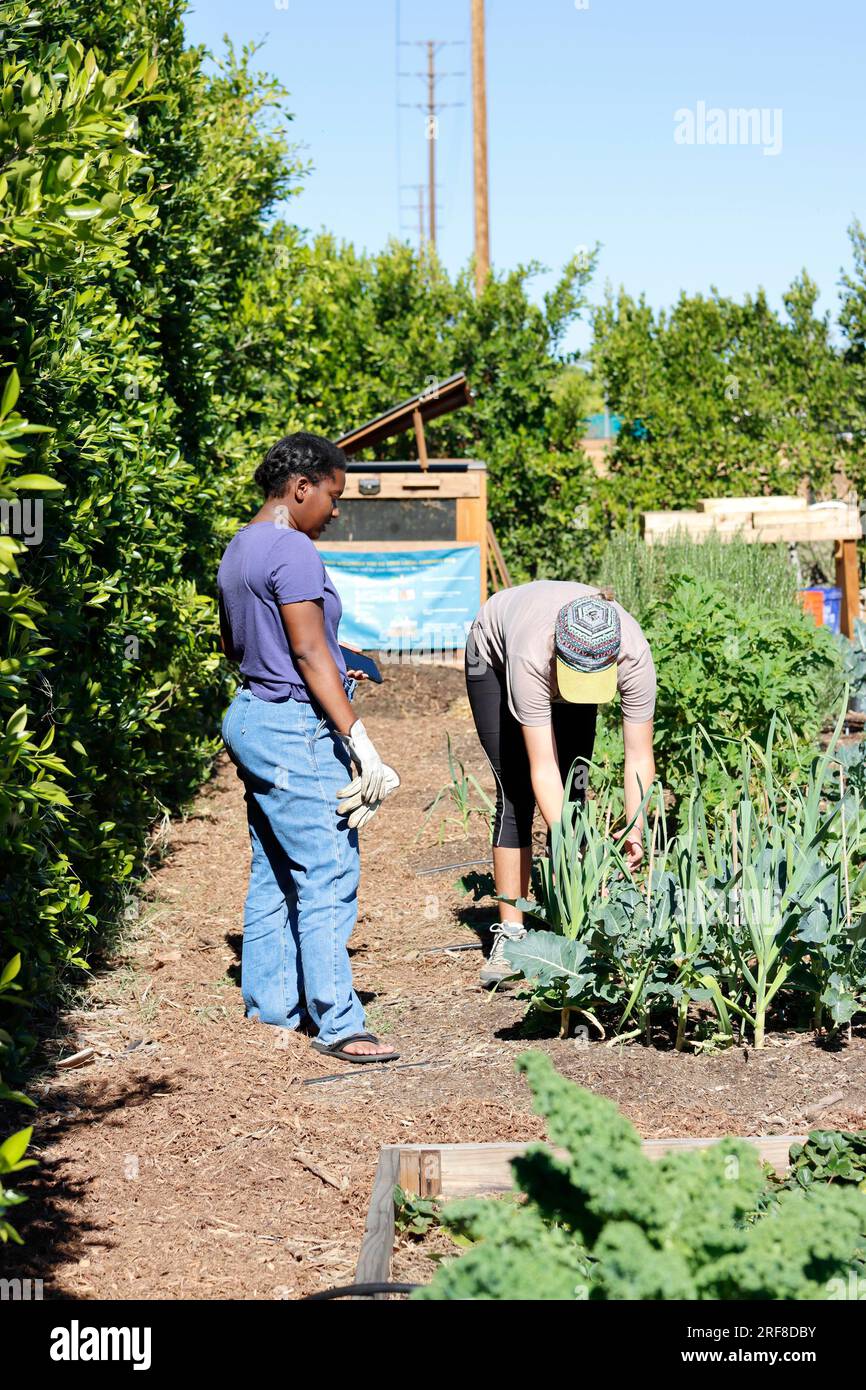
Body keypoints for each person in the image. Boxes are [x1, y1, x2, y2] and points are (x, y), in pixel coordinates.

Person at [217, 432, 401, 1063]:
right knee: (327, 867)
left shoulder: (240, 547)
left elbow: (241, 644)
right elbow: (305, 651)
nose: (336, 509)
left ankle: (270, 1009)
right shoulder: (294, 551)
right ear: (300, 488)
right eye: (332, 494)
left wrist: (332, 663)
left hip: (251, 716)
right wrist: (360, 739)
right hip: (294, 727)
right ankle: (340, 1022)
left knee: (273, 865)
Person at [465, 582, 656, 986]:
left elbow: (639, 756)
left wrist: (635, 827)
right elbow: (543, 765)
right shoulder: (529, 654)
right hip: (494, 659)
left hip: (569, 660)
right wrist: (568, 836)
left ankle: (570, 918)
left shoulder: (632, 653)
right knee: (515, 791)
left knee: (576, 787)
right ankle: (511, 934)